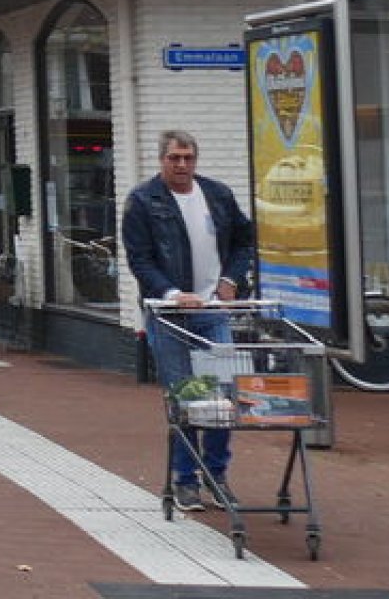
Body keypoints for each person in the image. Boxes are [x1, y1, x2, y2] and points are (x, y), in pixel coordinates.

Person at [121, 129, 256, 513]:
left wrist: (231, 280)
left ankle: (217, 475)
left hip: (213, 313)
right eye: (174, 158)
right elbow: (140, 259)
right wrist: (172, 294)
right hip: (171, 316)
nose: (182, 165)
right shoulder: (144, 201)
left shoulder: (217, 195)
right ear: (161, 160)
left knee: (222, 396)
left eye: (188, 158)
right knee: (187, 396)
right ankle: (186, 481)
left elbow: (246, 239)